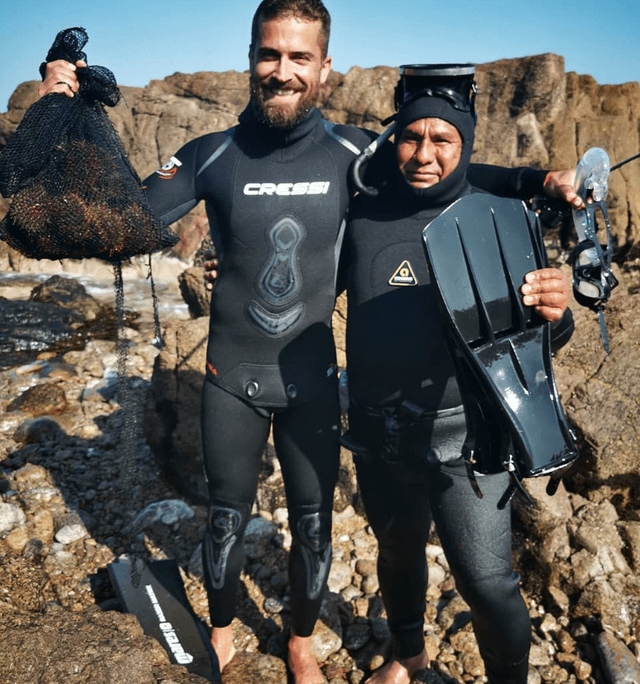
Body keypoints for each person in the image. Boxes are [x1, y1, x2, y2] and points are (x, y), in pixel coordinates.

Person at [39, 6, 579, 683]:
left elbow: (459, 167)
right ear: (251, 58)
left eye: (301, 57)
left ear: (325, 68)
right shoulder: (213, 154)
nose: (284, 70)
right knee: (234, 521)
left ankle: (300, 643)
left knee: (325, 530)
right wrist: (60, 117)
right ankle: (231, 630)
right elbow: (108, 219)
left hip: (331, 389)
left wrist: (540, 182)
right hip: (243, 376)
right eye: (272, 54)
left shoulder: (360, 154)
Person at [342, 64, 572, 684]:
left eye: (442, 140)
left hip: (465, 439)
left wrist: (557, 311)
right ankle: (409, 653)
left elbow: (539, 335)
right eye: (411, 136)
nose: (423, 154)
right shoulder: (360, 216)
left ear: (465, 144)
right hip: (378, 432)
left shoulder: (497, 216)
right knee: (396, 551)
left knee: (489, 582)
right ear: (394, 138)